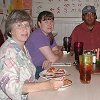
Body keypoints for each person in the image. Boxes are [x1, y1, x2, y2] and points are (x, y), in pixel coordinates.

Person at [0, 10, 64, 100]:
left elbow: (29, 77)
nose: (24, 29)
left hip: (31, 94)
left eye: (26, 25)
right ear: (10, 30)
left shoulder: (23, 48)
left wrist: (45, 69)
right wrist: (47, 85)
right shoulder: (8, 52)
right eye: (19, 25)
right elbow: (12, 89)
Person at [26, 11, 63, 79]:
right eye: (46, 22)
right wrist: (52, 57)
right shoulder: (37, 35)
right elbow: (54, 58)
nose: (49, 24)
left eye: (51, 21)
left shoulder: (49, 35)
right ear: (39, 23)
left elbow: (57, 51)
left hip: (44, 67)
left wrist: (48, 58)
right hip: (34, 71)